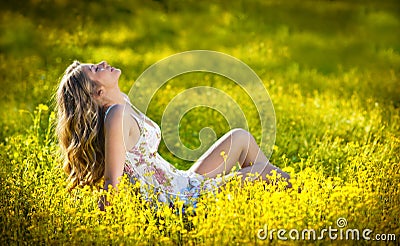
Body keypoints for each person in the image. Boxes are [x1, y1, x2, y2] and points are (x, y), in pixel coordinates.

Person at [56, 60, 292, 208]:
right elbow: (112, 180)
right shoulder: (116, 115)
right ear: (97, 92)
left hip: (180, 182)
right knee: (269, 175)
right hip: (177, 200)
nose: (103, 62)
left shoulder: (123, 103)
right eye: (96, 69)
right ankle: (305, 203)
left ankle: (272, 206)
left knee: (240, 138)